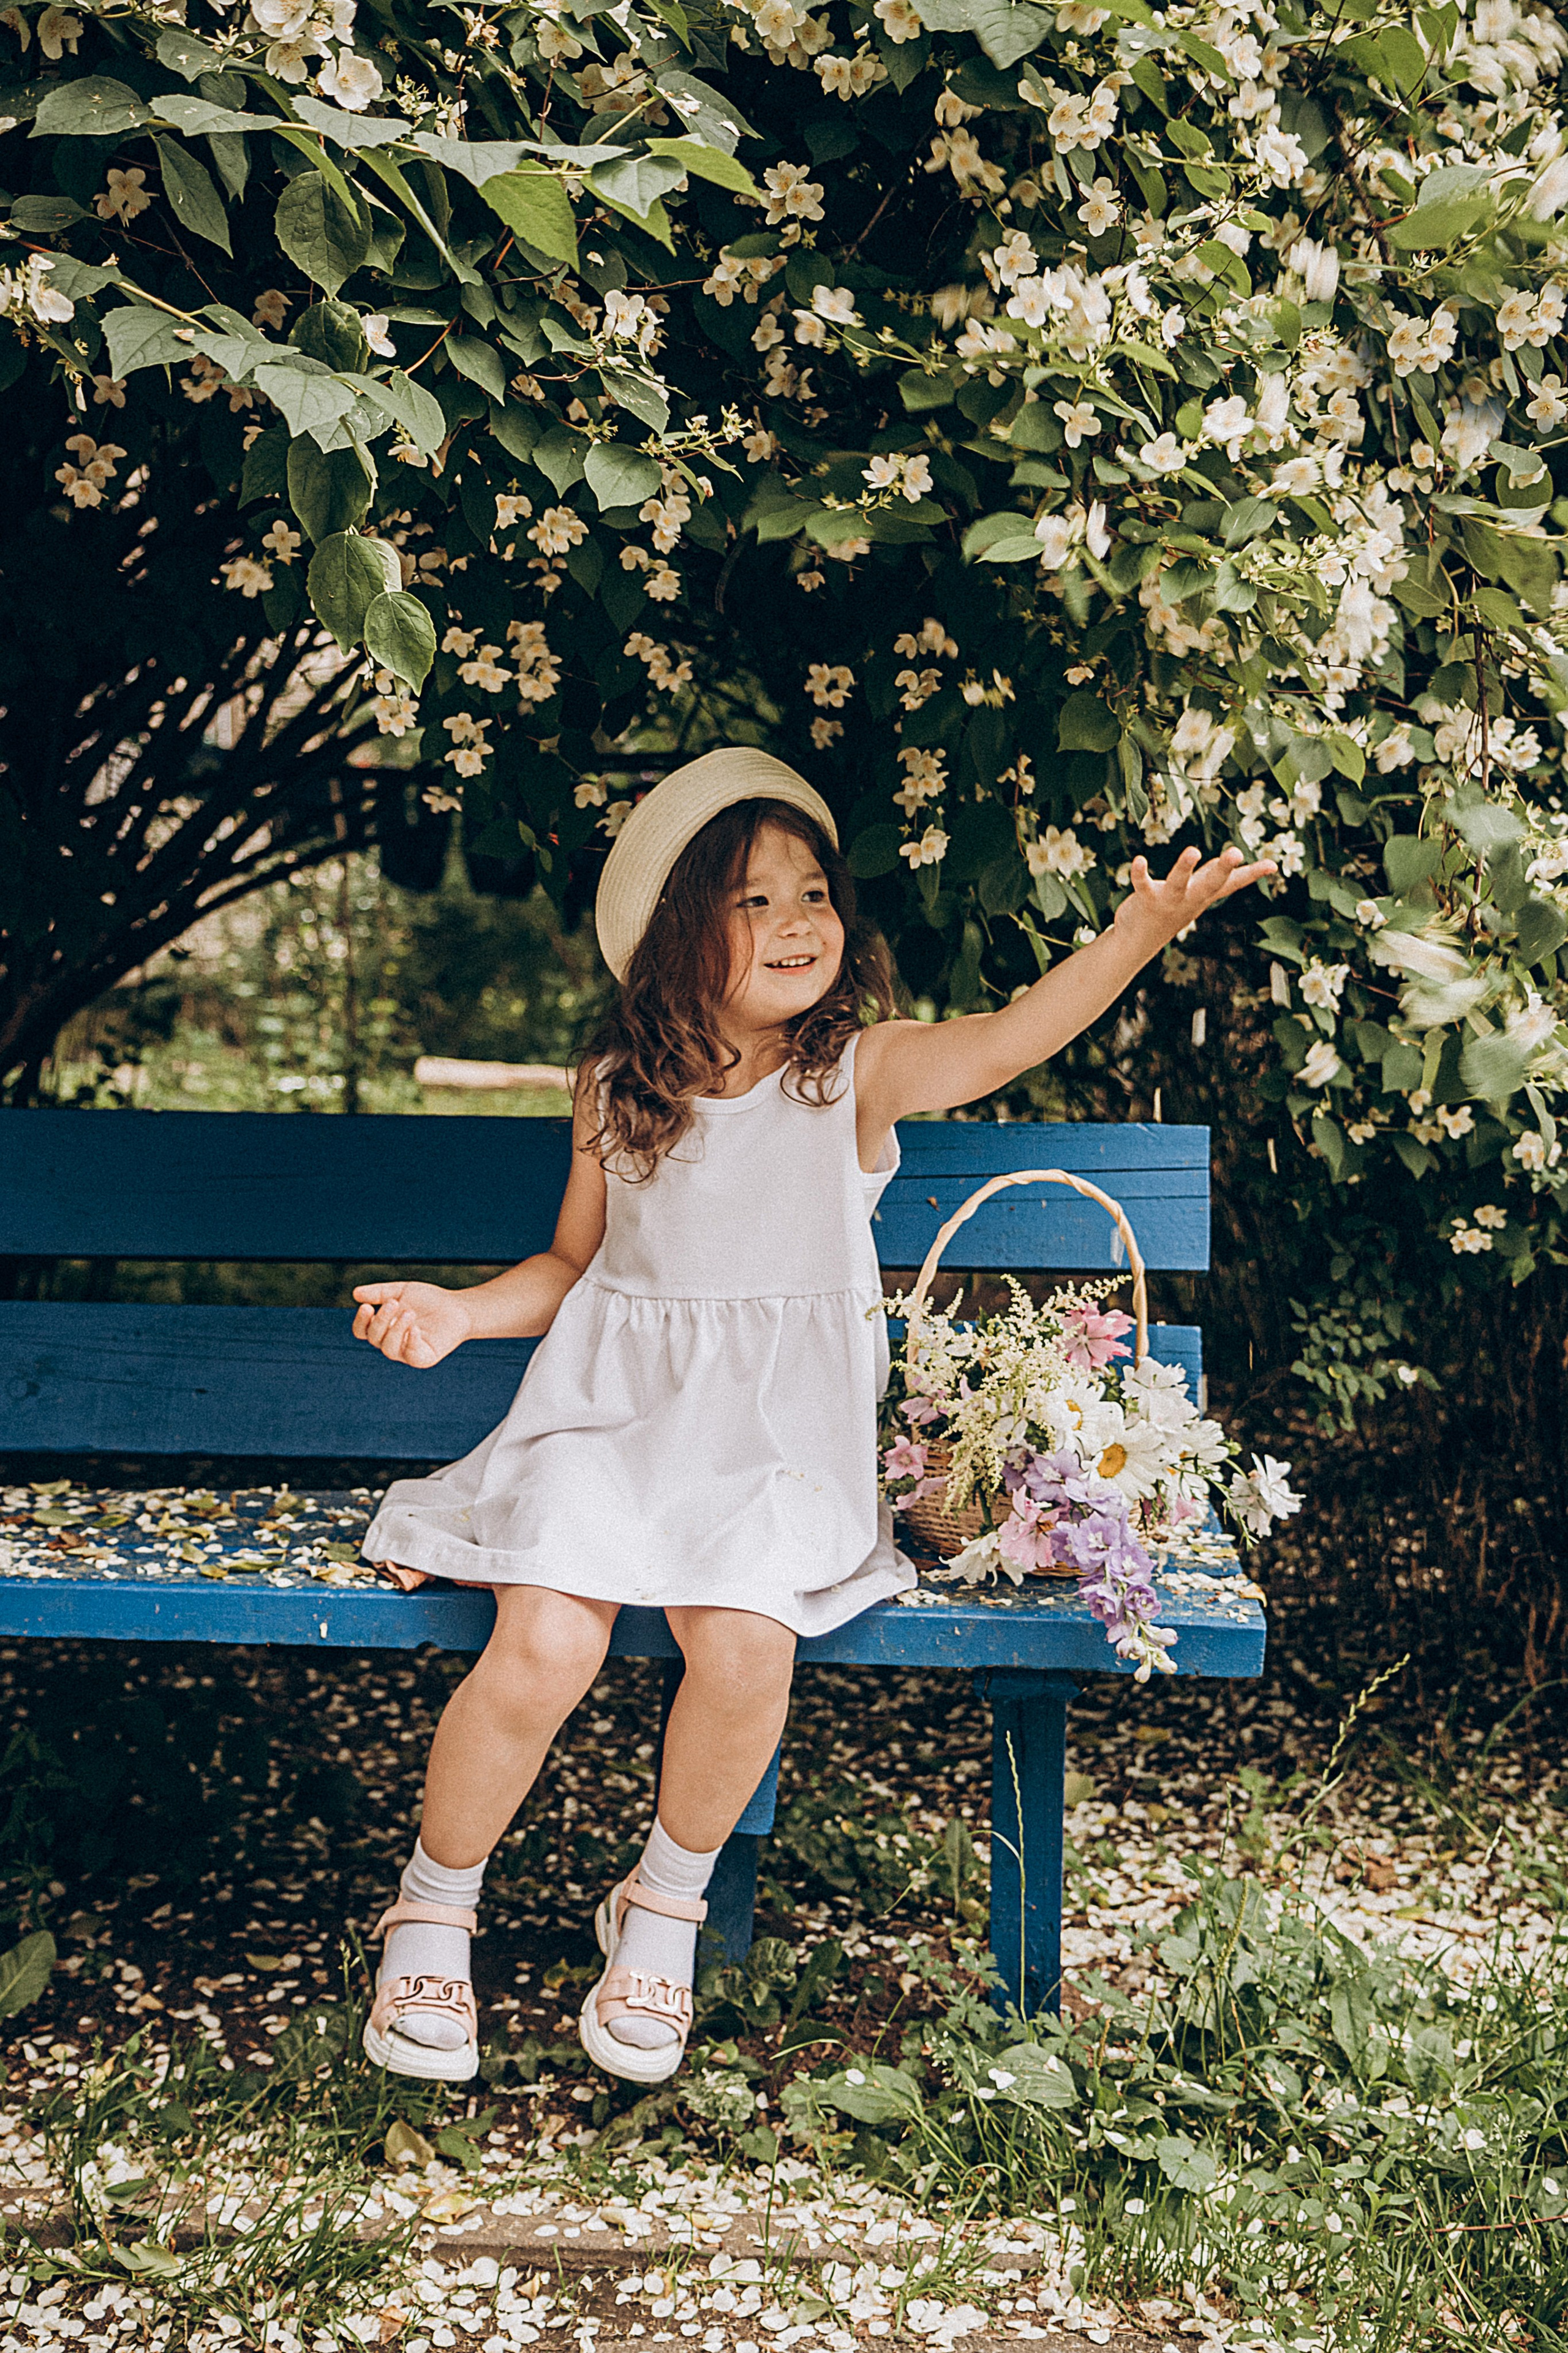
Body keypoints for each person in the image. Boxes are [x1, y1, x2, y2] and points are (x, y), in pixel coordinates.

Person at [349, 747, 1274, 2087]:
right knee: (544, 1635)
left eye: (812, 894)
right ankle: (433, 1905)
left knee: (743, 1641)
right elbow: (571, 1268)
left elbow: (1014, 1034)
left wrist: (1135, 930)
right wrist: (456, 1312)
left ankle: (662, 1903)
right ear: (677, 935)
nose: (798, 922)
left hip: (773, 1455)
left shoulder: (855, 1075)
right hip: (610, 1427)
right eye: (752, 901)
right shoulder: (622, 1087)